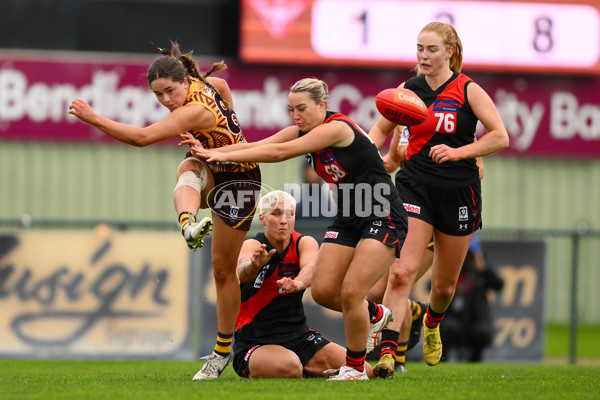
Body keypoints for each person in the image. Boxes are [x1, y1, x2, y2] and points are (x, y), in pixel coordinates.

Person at [181, 77, 408, 380]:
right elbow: (260, 146)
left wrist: (221, 156)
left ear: (322, 106)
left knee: (352, 291)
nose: (295, 116)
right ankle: (377, 315)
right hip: (349, 216)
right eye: (290, 110)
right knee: (326, 292)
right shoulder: (302, 129)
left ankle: (354, 370)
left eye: (301, 109)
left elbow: (278, 154)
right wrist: (213, 151)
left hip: (380, 212)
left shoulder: (336, 128)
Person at [68, 41, 261, 380]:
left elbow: (142, 138)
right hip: (213, 166)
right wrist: (222, 138)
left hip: (240, 179)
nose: (167, 101)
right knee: (189, 166)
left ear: (185, 81)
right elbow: (224, 88)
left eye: (170, 91)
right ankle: (188, 225)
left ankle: (221, 352)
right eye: (158, 95)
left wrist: (93, 117)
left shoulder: (193, 110)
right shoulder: (208, 85)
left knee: (222, 270)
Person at [368, 21, 509, 376]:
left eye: (431, 50)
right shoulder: (408, 89)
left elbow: (500, 137)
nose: (424, 56)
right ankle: (387, 353)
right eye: (419, 49)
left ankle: (431, 323)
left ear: (449, 52)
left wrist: (460, 153)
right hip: (415, 186)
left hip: (459, 192)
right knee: (400, 273)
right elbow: (381, 128)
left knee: (444, 286)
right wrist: (369, 156)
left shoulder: (468, 89)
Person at [232, 190, 373, 378]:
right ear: (263, 219)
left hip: (298, 336)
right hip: (255, 341)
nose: (284, 220)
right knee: (290, 367)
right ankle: (283, 366)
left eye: (289, 214)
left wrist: (297, 283)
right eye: (276, 214)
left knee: (366, 372)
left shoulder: (304, 242)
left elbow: (311, 268)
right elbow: (242, 273)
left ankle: (301, 366)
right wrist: (253, 266)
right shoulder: (253, 245)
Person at [439, 236, 504, 362]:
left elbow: (499, 285)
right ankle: (441, 356)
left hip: (476, 320)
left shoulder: (480, 274)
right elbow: (431, 285)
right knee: (447, 327)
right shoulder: (452, 273)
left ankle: (476, 357)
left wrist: (482, 268)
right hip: (455, 319)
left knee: (482, 331)